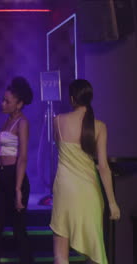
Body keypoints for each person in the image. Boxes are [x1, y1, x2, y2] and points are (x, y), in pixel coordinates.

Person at [50, 79, 120, 264]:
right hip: (89, 192)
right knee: (95, 252)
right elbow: (103, 167)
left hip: (65, 192)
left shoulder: (57, 121)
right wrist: (112, 203)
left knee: (60, 256)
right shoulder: (100, 126)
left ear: (72, 99)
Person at [0, 77, 34, 264]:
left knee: (18, 229)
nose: (2, 103)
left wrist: (18, 190)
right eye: (3, 99)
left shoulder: (22, 123)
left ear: (19, 104)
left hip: (14, 177)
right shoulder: (6, 122)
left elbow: (23, 157)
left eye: (7, 101)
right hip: (1, 176)